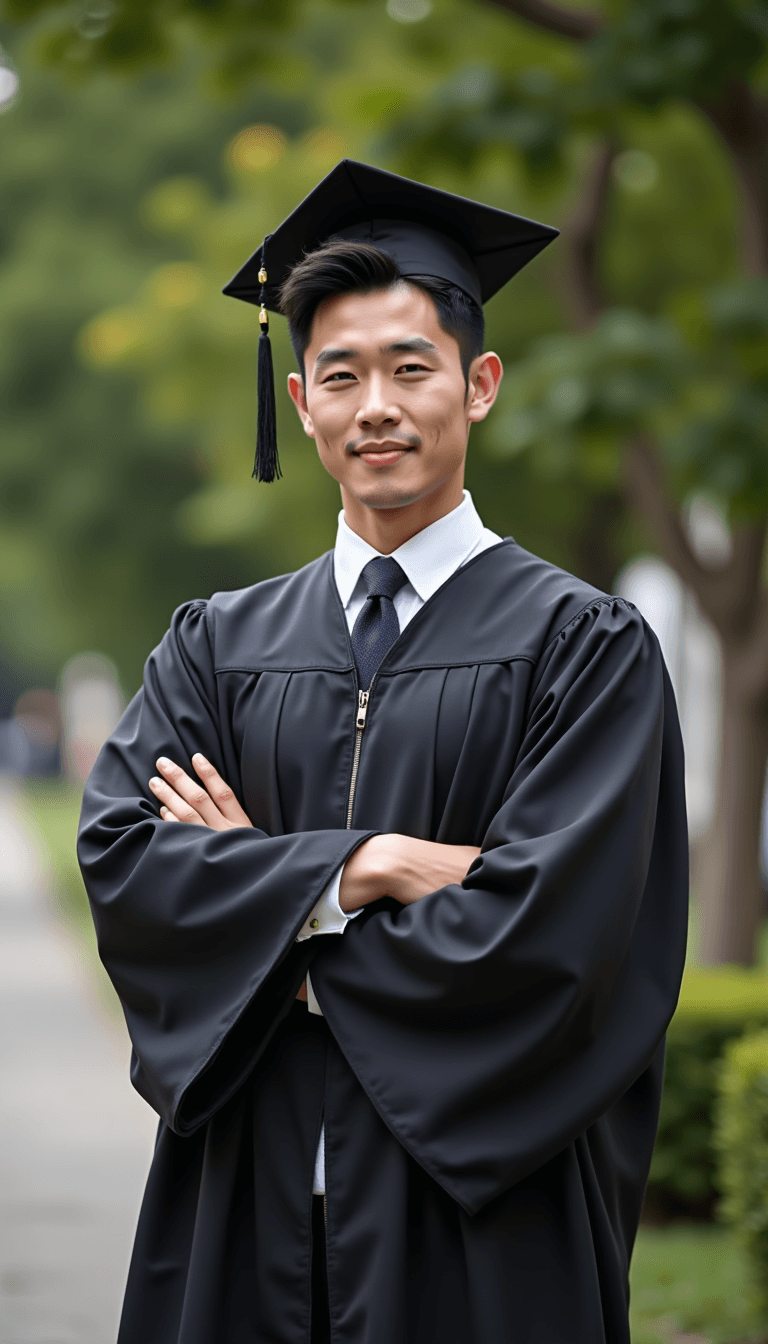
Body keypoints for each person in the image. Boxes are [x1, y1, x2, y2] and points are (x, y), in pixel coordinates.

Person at [77, 160, 688, 1344]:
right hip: (239, 1206)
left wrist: (273, 923)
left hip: (475, 1221)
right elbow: (128, 866)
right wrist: (373, 869)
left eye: (412, 367)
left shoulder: (584, 648)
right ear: (299, 399)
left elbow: (562, 942)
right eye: (343, 376)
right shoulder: (215, 646)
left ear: (482, 383)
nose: (377, 406)